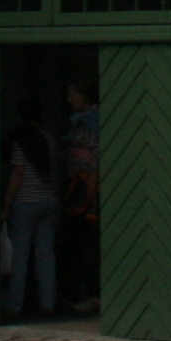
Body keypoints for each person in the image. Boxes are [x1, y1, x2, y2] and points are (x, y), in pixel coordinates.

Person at [2, 117, 60, 319]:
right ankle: (48, 304)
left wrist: (7, 203)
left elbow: (18, 173)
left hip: (25, 203)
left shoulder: (21, 140)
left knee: (20, 256)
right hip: (50, 201)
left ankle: (14, 306)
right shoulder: (49, 138)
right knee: (46, 255)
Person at [61, 81, 102, 315]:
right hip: (76, 189)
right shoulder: (77, 123)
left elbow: (95, 161)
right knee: (76, 245)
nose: (69, 100)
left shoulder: (93, 123)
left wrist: (90, 197)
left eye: (73, 94)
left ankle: (93, 295)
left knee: (88, 245)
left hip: (86, 193)